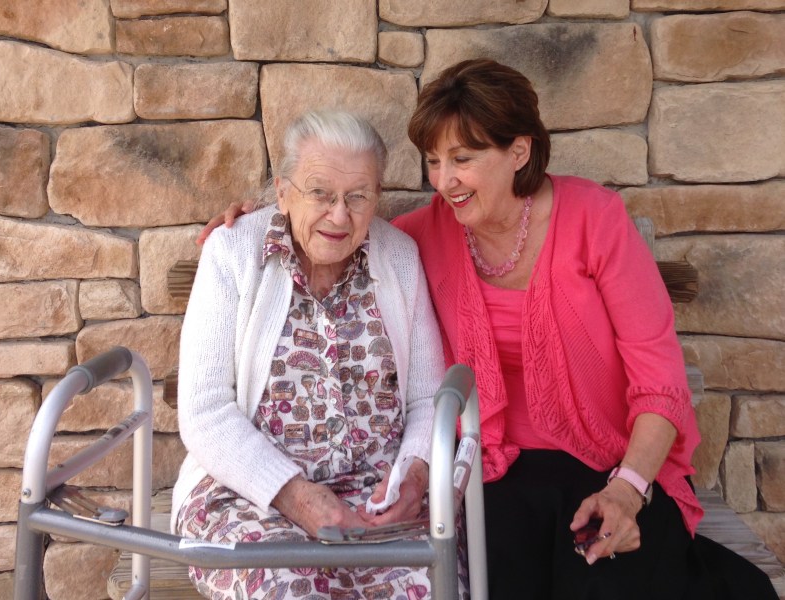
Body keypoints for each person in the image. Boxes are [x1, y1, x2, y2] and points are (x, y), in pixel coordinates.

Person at [200, 60, 778, 600]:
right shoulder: (420, 235)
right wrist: (249, 228)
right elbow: (330, 223)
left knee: (610, 569)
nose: (445, 180)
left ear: (519, 151)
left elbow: (660, 383)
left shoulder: (594, 220)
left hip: (606, 463)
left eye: (464, 158)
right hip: (495, 470)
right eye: (433, 161)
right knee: (492, 573)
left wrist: (627, 488)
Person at [172, 109, 468, 599]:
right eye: (320, 194)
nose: (339, 214)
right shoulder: (233, 252)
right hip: (253, 497)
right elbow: (205, 413)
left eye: (357, 197)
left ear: (377, 198)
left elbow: (428, 400)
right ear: (282, 191)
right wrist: (297, 497)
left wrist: (414, 478)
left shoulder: (398, 256)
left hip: (381, 498)